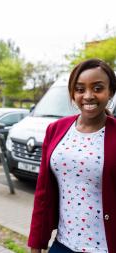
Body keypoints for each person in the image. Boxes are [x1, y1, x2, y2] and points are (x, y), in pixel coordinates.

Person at [28, 58, 116, 253]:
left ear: (110, 92)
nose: (88, 96)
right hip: (62, 246)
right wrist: (36, 245)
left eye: (98, 88)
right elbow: (43, 194)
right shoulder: (55, 130)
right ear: (72, 93)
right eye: (80, 89)